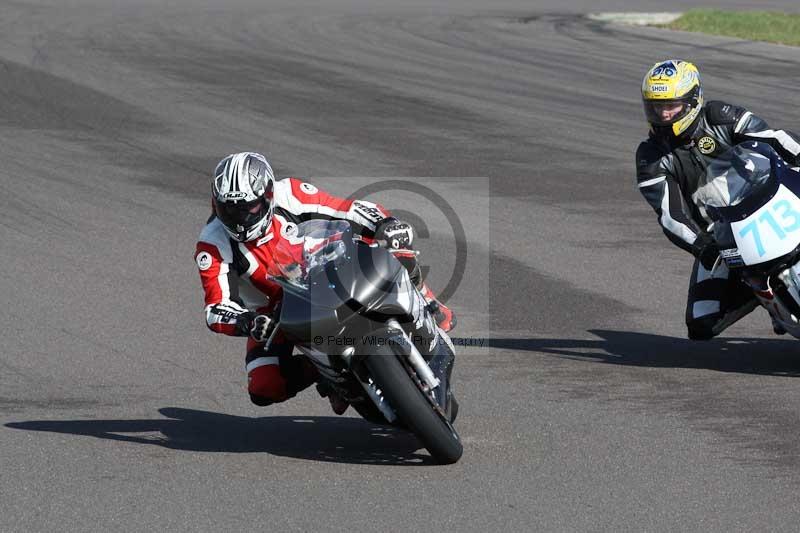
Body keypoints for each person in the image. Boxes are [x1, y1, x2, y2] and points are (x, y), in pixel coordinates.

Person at [194, 152, 455, 411]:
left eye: (247, 208)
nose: (239, 220)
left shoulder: (290, 194)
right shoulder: (213, 243)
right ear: (215, 203)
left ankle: (426, 299)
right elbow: (216, 307)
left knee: (396, 246)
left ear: (268, 196)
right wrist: (247, 322)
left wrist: (385, 223)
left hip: (333, 264)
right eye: (228, 209)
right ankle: (326, 376)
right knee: (264, 385)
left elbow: (346, 209)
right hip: (276, 311)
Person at [636, 59, 800, 340]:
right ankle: (761, 292)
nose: (663, 115)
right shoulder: (650, 157)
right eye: (656, 106)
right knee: (702, 323)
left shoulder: (720, 116)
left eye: (670, 105)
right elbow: (670, 215)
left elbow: (772, 139)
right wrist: (703, 247)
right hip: (722, 235)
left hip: (767, 199)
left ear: (692, 101)